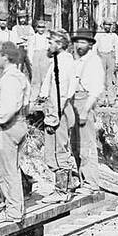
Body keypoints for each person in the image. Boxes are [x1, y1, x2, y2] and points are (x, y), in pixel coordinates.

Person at [0, 41, 31, 222]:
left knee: (7, 170)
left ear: (5, 57)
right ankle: (15, 207)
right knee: (12, 168)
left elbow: (8, 108)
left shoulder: (10, 79)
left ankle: (14, 212)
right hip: (20, 123)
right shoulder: (20, 77)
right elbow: (27, 103)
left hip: (9, 126)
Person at [38, 28, 78, 201]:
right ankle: (70, 184)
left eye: (51, 42)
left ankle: (61, 192)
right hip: (60, 108)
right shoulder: (61, 60)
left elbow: (60, 93)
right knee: (61, 148)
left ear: (60, 44)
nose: (49, 45)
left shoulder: (62, 63)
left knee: (56, 151)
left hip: (59, 110)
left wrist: (53, 117)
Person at [71, 29, 107, 189]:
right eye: (77, 42)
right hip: (73, 102)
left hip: (84, 102)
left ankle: (91, 182)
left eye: (83, 42)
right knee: (76, 145)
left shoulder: (94, 61)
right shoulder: (78, 61)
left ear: (90, 45)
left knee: (87, 145)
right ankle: (81, 179)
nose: (79, 45)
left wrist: (85, 110)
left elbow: (97, 88)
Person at [27, 16, 52, 98]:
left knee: (45, 76)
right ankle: (34, 94)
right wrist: (30, 59)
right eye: (39, 27)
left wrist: (50, 58)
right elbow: (30, 48)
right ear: (36, 28)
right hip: (36, 56)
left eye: (43, 27)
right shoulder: (33, 37)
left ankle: (44, 94)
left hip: (45, 56)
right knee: (36, 76)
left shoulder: (47, 37)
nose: (41, 29)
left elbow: (50, 48)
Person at [94, 21, 118, 93]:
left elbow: (117, 48)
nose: (108, 27)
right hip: (101, 56)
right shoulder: (99, 35)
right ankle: (101, 100)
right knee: (101, 78)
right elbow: (94, 47)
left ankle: (111, 99)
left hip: (111, 56)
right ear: (103, 25)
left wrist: (117, 61)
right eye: (106, 25)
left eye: (109, 25)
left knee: (111, 79)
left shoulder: (114, 35)